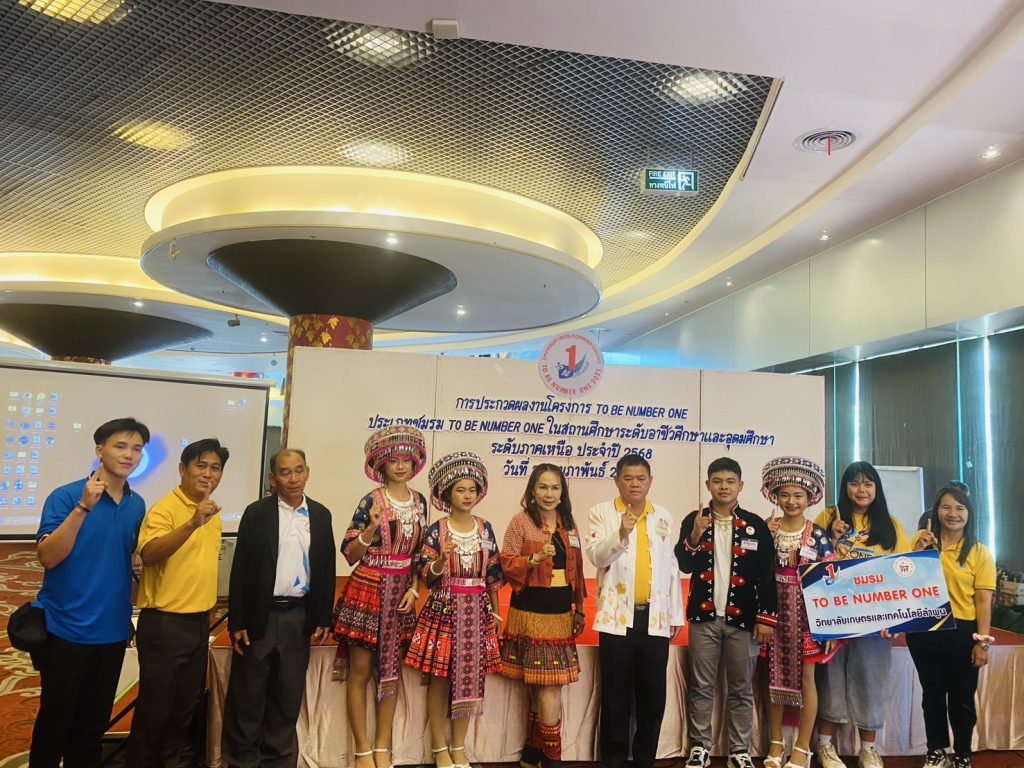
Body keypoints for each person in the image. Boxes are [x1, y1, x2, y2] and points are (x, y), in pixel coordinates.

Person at [29, 417, 150, 768]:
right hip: (65, 626)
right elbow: (48, 557)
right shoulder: (66, 496)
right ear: (99, 450)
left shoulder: (136, 504)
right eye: (120, 446)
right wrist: (83, 508)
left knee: (92, 727)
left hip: (111, 629)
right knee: (55, 722)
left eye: (137, 449)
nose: (129, 455)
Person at [221, 448, 336, 768]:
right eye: (285, 472)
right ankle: (242, 761)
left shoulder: (320, 515)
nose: (293, 478)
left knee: (287, 696)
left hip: (298, 617)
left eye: (299, 470)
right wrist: (237, 620)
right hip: (260, 616)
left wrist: (322, 616)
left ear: (307, 472)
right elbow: (240, 569)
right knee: (248, 695)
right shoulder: (256, 513)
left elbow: (326, 567)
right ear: (272, 478)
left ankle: (278, 760)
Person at [127, 438, 230, 768]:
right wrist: (191, 523)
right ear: (183, 469)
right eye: (201, 466)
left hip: (199, 622)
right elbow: (149, 555)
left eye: (215, 468)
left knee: (183, 711)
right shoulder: (165, 509)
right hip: (165, 624)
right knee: (154, 712)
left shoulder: (212, 512)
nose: (208, 474)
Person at [332, 426, 429, 768]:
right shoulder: (371, 500)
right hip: (369, 588)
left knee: (392, 671)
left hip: (402, 592)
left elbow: (420, 555)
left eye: (406, 460)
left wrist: (415, 588)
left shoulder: (420, 502)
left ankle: (382, 746)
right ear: (381, 464)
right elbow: (349, 552)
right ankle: (362, 749)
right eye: (393, 460)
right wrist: (371, 528)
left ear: (414, 463)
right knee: (361, 669)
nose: (400, 466)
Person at [675, 457, 777, 768]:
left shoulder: (755, 525)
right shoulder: (695, 520)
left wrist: (766, 618)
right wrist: (694, 536)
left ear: (740, 486)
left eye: (730, 481)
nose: (723, 487)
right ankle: (700, 747)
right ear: (708, 484)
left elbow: (767, 574)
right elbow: (684, 565)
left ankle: (739, 750)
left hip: (743, 620)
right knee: (701, 686)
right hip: (703, 619)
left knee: (741, 689)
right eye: (717, 481)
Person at [404, 452, 504, 768]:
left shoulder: (485, 529)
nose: (467, 496)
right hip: (444, 610)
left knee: (471, 678)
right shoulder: (437, 530)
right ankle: (439, 748)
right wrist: (440, 559)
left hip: (477, 612)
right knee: (440, 680)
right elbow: (425, 574)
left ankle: (458, 746)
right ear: (448, 494)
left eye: (472, 490)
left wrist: (496, 613)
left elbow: (493, 574)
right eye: (461, 490)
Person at [586, 454, 684, 768]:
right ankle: (613, 759)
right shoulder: (602, 512)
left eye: (641, 478)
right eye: (628, 478)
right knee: (615, 694)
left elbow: (671, 567)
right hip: (617, 619)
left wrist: (675, 615)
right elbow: (597, 557)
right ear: (617, 481)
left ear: (650, 482)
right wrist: (621, 534)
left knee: (652, 695)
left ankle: (645, 759)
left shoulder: (662, 516)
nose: (635, 484)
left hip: (654, 618)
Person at [813, 461, 911, 768]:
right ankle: (825, 746)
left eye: (868, 483)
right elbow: (810, 562)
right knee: (830, 680)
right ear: (845, 487)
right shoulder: (828, 517)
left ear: (877, 488)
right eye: (854, 483)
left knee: (871, 680)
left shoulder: (891, 525)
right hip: (834, 618)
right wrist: (832, 538)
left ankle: (868, 749)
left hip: (875, 621)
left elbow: (904, 574)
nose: (861, 489)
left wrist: (895, 618)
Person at [500, 463, 586, 768]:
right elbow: (506, 562)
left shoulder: (568, 523)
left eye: (555, 488)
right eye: (543, 487)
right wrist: (533, 559)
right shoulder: (521, 521)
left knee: (543, 685)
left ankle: (532, 753)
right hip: (530, 610)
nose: (549, 494)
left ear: (562, 492)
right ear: (532, 491)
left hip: (561, 613)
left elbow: (578, 569)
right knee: (545, 685)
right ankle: (553, 759)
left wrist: (580, 608)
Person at [908, 485, 995, 768]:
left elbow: (983, 601)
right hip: (924, 630)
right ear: (936, 511)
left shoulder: (979, 552)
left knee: (962, 697)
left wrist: (982, 642)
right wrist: (918, 552)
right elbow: (904, 585)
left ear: (969, 514)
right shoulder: (921, 542)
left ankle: (962, 755)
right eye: (945, 507)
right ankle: (936, 751)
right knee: (931, 694)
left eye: (960, 508)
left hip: (962, 632)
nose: (952, 514)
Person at [759, 457, 836, 768]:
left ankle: (803, 748)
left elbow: (830, 580)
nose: (791, 501)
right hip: (773, 613)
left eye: (798, 496)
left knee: (807, 677)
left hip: (808, 616)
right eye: (785, 495)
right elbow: (758, 573)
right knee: (773, 675)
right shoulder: (767, 530)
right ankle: (776, 743)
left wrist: (830, 627)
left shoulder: (817, 534)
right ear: (776, 497)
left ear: (809, 498)